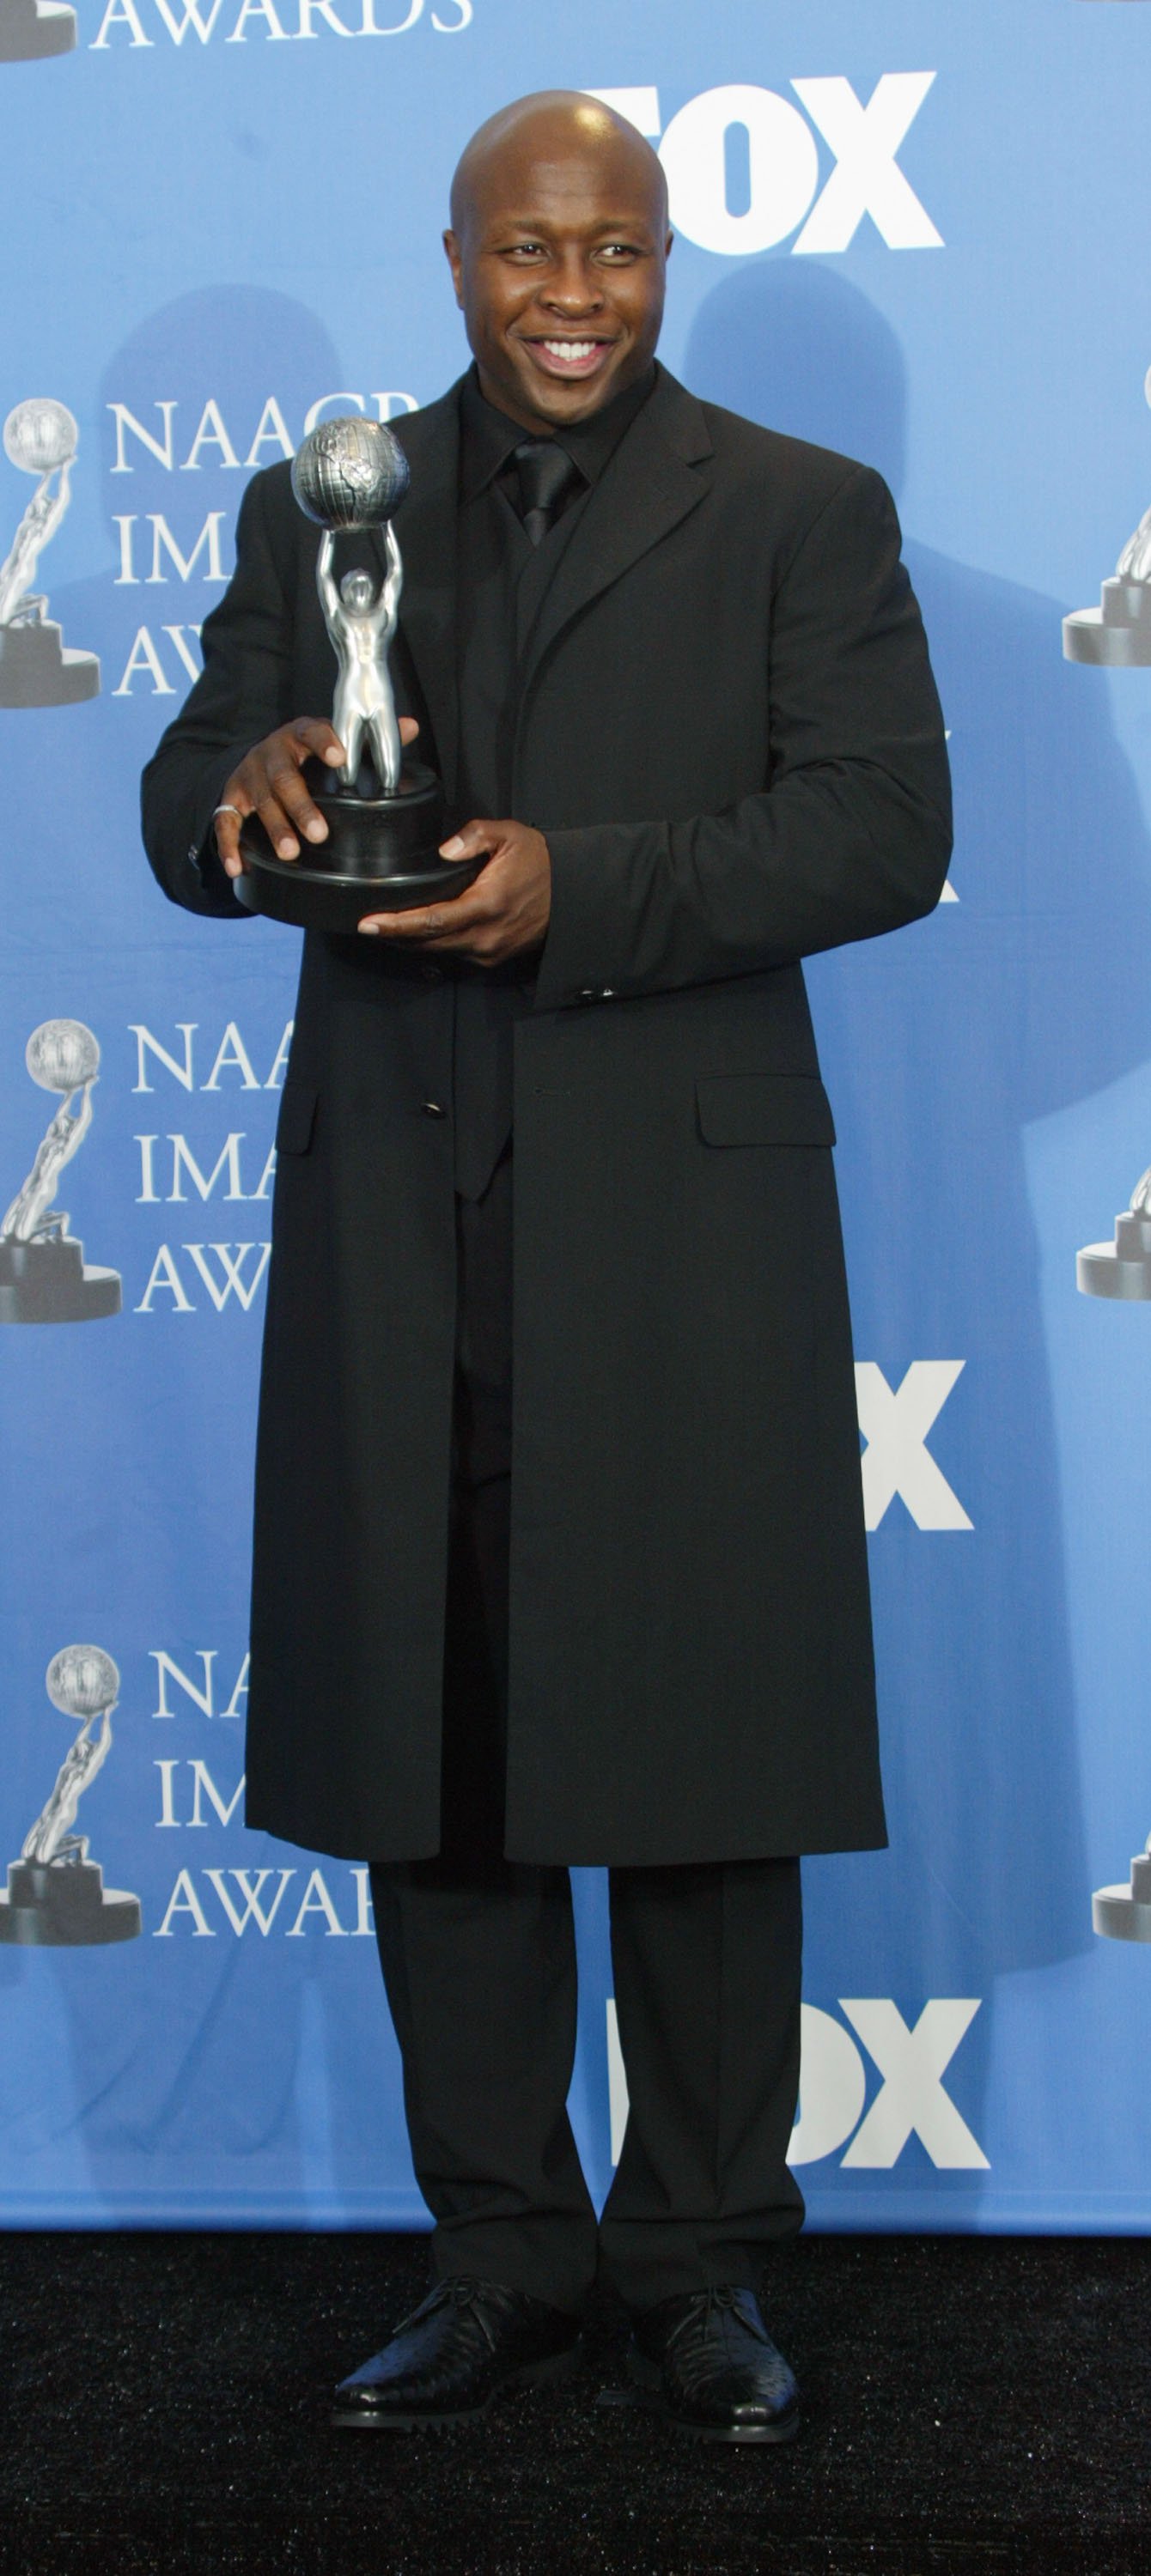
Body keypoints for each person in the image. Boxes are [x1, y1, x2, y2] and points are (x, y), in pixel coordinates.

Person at [141, 91, 952, 2445]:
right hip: (405, 1202)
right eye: (527, 252)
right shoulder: (326, 505)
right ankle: (496, 2254)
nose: (571, 295)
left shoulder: (800, 508)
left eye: (612, 252)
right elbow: (191, 781)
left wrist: (571, 889)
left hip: (680, 1214)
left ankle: (700, 2266)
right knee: (439, 1737)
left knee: (703, 1748)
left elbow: (881, 826)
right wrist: (253, 779)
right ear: (457, 257)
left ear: (662, 259)